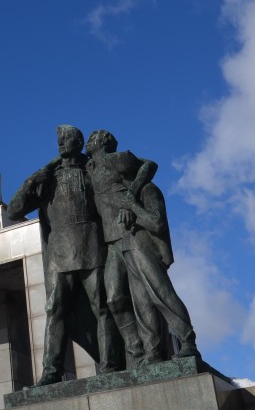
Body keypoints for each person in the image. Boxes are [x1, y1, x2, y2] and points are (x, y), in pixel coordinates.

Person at [7, 125, 119, 383]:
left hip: (93, 247)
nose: (60, 142)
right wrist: (34, 179)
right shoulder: (48, 178)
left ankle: (111, 365)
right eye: (58, 139)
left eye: (66, 138)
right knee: (55, 310)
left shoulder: (91, 171)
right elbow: (13, 211)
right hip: (60, 254)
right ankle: (51, 371)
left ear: (79, 141)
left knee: (103, 306)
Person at [86, 130, 200, 364]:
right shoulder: (91, 168)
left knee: (158, 292)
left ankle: (187, 340)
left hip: (134, 235)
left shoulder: (117, 160)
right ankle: (150, 352)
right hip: (113, 241)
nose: (87, 143)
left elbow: (149, 165)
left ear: (103, 142)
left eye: (92, 139)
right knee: (124, 298)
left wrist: (132, 198)